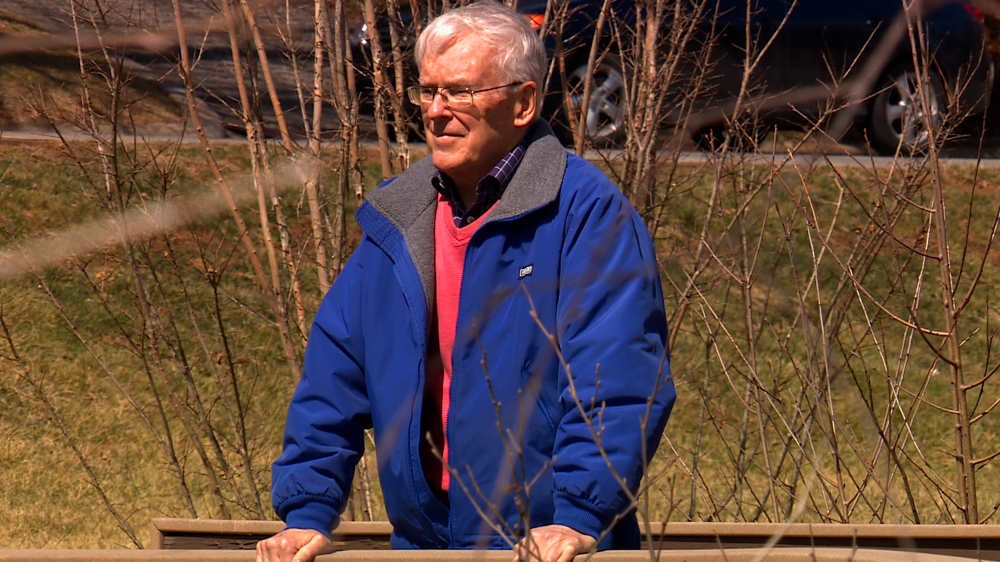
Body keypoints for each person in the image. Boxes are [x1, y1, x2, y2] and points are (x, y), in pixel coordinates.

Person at [255, 2, 675, 561]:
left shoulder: (586, 214)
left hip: (551, 550)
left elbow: (617, 383)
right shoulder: (397, 220)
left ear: (523, 103)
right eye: (428, 91)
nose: (436, 111)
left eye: (460, 92)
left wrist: (578, 517)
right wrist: (308, 511)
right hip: (423, 547)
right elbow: (332, 380)